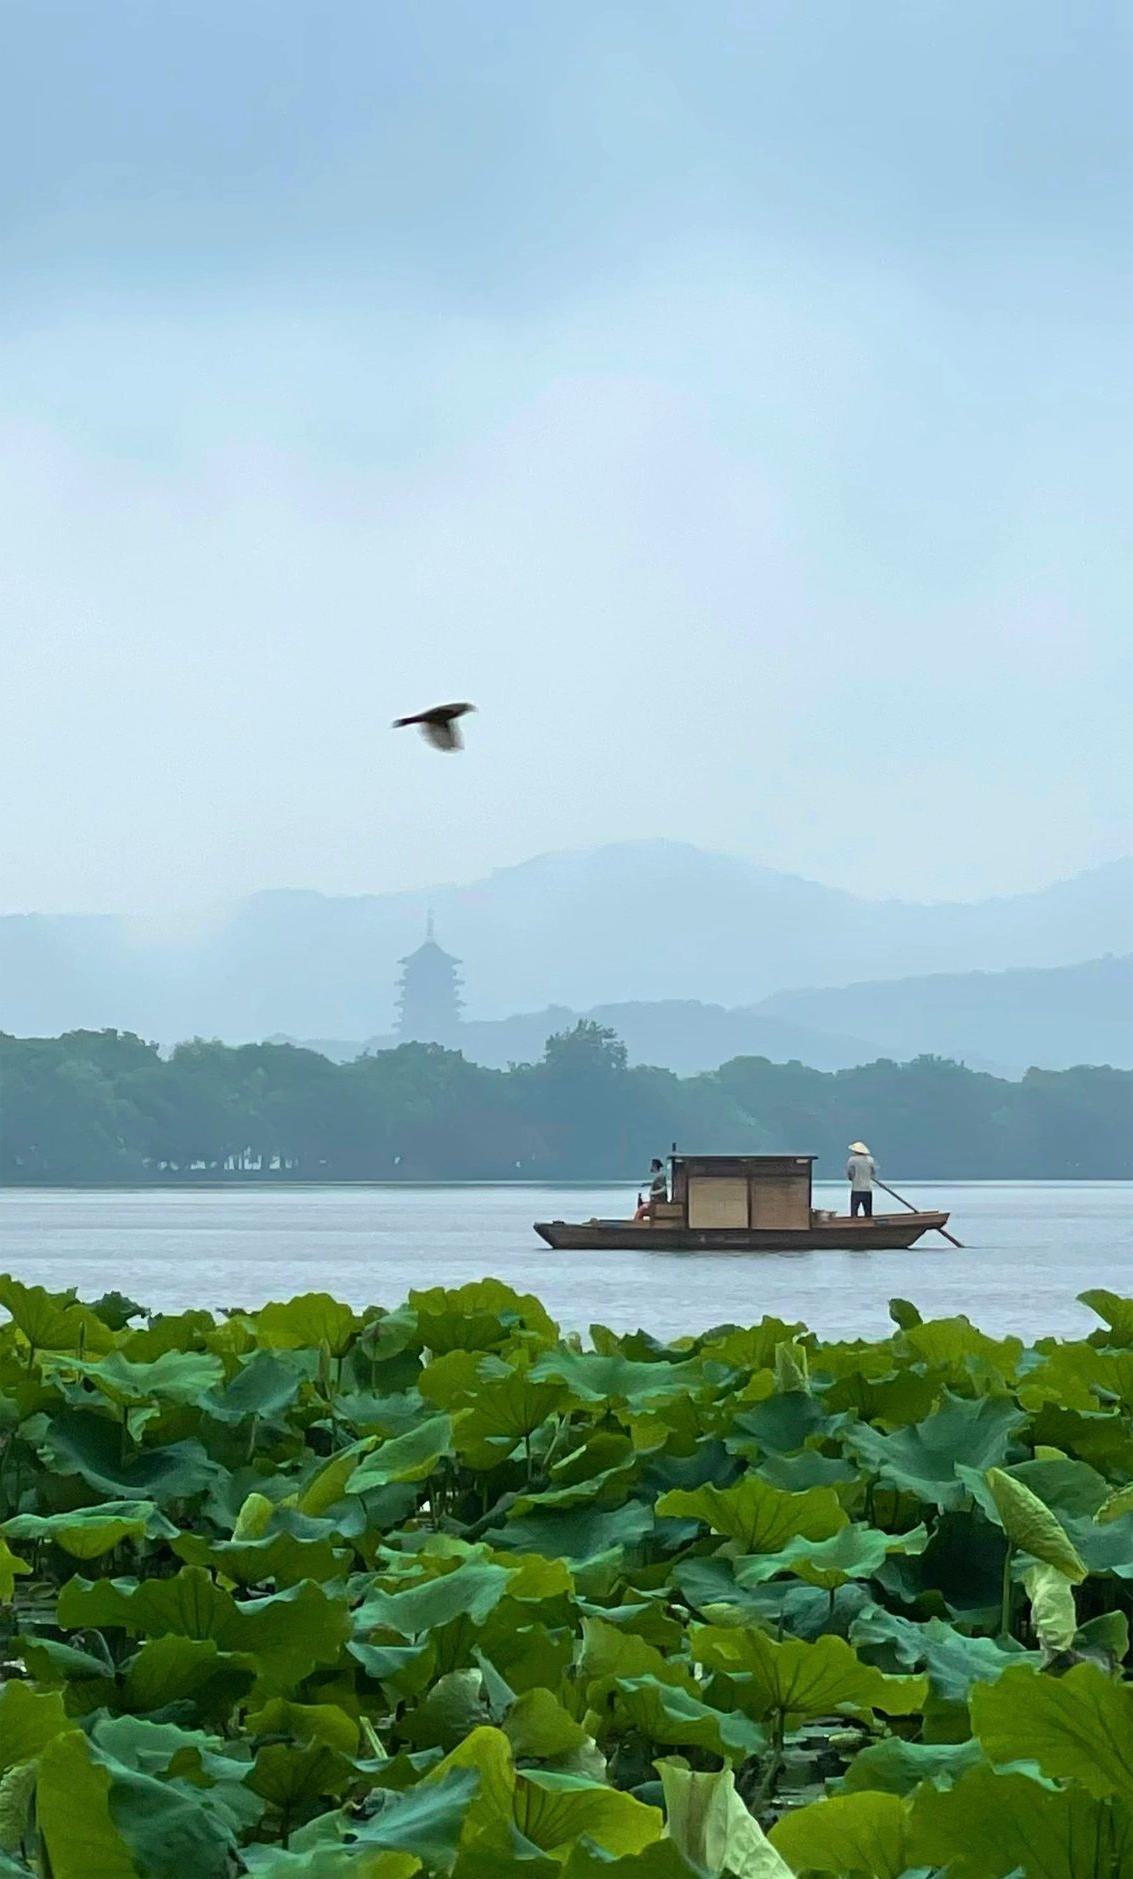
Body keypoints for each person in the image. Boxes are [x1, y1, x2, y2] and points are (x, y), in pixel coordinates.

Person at [846, 1142, 877, 1217]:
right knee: (868, 1213)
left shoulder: (852, 1160)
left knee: (854, 1213)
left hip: (856, 1189)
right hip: (867, 1189)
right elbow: (873, 1173)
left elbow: (850, 1174)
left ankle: (853, 1225)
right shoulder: (870, 1160)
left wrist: (851, 1178)